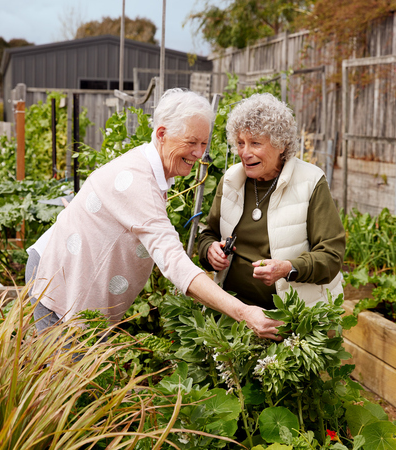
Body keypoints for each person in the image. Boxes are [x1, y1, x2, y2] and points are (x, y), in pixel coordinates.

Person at [26, 89, 283, 341]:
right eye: (191, 142)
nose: (199, 152)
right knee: (68, 377)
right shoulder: (137, 181)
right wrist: (244, 312)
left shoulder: (148, 168)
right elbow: (173, 261)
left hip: (73, 282)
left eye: (204, 143)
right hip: (59, 283)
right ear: (162, 134)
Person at [198, 93, 345, 309]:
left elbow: (331, 256)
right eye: (240, 142)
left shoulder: (310, 182)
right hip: (234, 312)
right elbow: (208, 234)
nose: (245, 153)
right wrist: (209, 250)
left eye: (255, 143)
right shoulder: (231, 180)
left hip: (293, 317)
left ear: (281, 145)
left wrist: (288, 268)